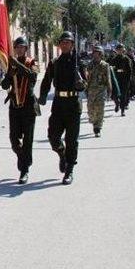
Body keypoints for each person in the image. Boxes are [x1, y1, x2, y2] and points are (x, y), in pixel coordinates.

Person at [38, 31, 87, 185]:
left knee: (72, 140)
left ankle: (69, 170)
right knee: (53, 136)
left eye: (68, 42)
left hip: (73, 103)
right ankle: (62, 154)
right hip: (58, 103)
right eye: (63, 42)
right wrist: (43, 96)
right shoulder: (55, 62)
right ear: (59, 45)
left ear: (72, 44)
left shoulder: (79, 62)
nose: (65, 45)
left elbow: (85, 82)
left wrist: (81, 85)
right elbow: (46, 81)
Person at [0, 36, 39, 184]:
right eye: (17, 47)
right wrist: (9, 73)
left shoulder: (32, 62)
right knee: (14, 139)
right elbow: (4, 85)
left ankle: (24, 170)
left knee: (28, 139)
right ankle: (22, 157)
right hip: (15, 106)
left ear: (26, 49)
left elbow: (32, 76)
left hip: (28, 106)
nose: (19, 49)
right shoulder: (12, 65)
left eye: (22, 47)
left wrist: (18, 65)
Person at [85, 45, 112, 137]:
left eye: (97, 53)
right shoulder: (89, 65)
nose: (95, 54)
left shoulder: (105, 65)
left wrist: (109, 90)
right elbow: (86, 78)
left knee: (100, 109)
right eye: (94, 53)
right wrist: (85, 89)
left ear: (101, 54)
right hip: (91, 90)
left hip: (101, 90)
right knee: (90, 109)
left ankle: (97, 128)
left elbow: (108, 78)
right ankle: (94, 121)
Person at [112, 43, 132, 117]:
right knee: (114, 95)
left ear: (123, 50)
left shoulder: (126, 59)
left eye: (121, 49)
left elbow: (129, 70)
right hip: (116, 80)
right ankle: (117, 103)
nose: (120, 51)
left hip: (124, 80)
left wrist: (128, 80)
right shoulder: (114, 59)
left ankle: (122, 110)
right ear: (116, 50)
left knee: (123, 96)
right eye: (118, 49)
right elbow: (112, 69)